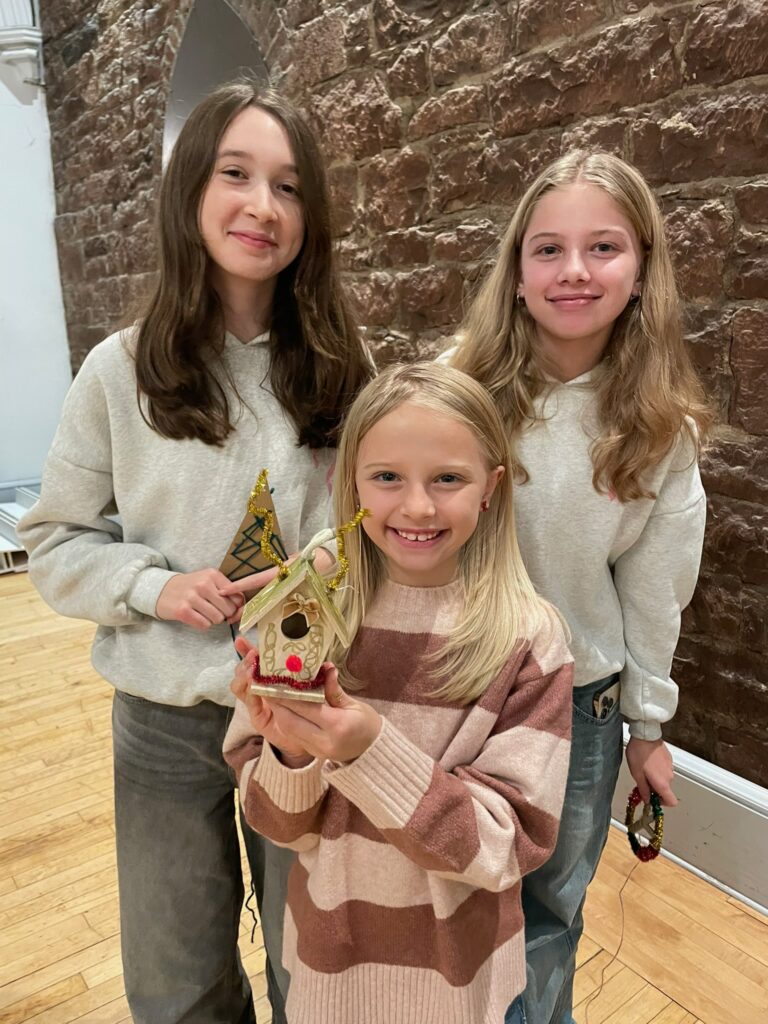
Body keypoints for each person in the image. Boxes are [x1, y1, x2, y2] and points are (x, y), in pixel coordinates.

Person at [18, 81, 372, 1024]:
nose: (263, 206)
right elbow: (53, 537)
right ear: (190, 191)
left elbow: (380, 524)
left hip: (302, 715)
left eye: (289, 186)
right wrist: (154, 588)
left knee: (319, 972)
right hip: (165, 720)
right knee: (178, 983)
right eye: (236, 174)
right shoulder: (119, 371)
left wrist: (336, 569)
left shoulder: (346, 366)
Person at [223, 361, 574, 1024]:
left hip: (461, 988)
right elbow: (274, 822)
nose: (417, 507)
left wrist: (368, 752)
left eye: (448, 478)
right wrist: (291, 752)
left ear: (491, 488)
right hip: (328, 976)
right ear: (348, 481)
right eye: (387, 477)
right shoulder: (308, 610)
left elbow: (508, 844)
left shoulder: (530, 639)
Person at [448, 150, 711, 1024]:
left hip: (581, 706)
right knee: (449, 908)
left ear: (640, 271)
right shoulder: (455, 390)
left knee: (548, 916)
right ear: (517, 271)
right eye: (548, 249)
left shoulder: (661, 429)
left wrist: (649, 727)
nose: (573, 270)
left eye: (603, 247)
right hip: (451, 690)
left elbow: (654, 591)